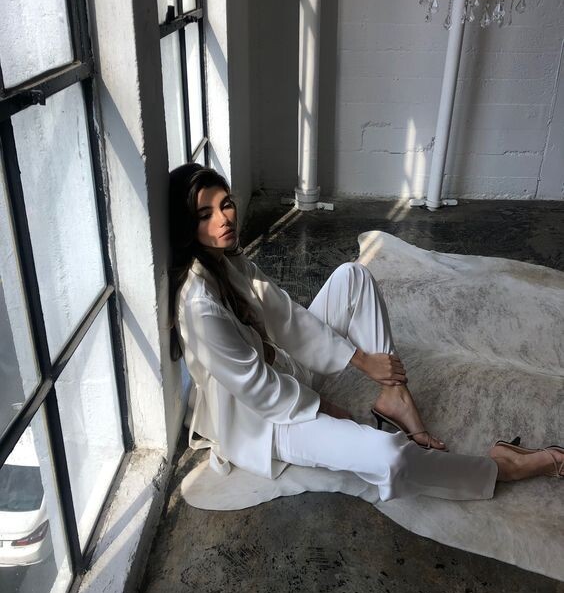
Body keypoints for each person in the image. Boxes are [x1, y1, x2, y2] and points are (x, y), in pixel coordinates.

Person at [169, 163, 563, 501]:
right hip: (263, 422)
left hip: (284, 370)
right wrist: (323, 407)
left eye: (226, 204)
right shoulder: (199, 305)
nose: (224, 219)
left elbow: (286, 317)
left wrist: (363, 361)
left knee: (352, 276)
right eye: (205, 214)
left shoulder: (227, 259)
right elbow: (260, 391)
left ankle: (395, 397)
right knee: (390, 457)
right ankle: (500, 468)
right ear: (187, 225)